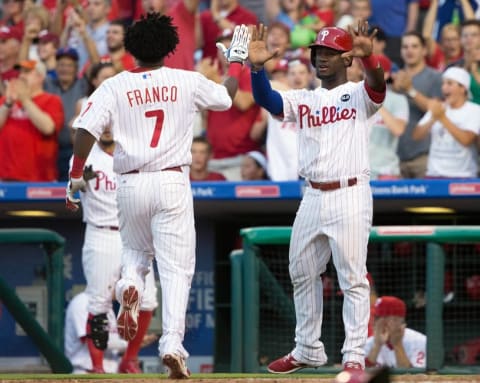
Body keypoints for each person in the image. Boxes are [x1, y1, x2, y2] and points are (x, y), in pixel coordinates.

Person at [66, 13, 247, 378]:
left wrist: (75, 175)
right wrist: (237, 63)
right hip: (171, 181)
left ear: (130, 48)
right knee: (176, 269)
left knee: (134, 253)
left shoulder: (114, 85)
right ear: (170, 47)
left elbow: (84, 130)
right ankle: (172, 344)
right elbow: (227, 97)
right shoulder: (185, 79)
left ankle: (129, 283)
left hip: (130, 182)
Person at [248, 21, 386, 373]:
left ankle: (354, 353)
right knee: (301, 271)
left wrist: (371, 61)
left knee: (352, 278)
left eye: (330, 53)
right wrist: (257, 68)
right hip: (312, 195)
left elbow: (377, 89)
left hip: (350, 191)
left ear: (347, 59)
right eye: (318, 52)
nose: (321, 58)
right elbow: (267, 99)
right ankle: (308, 348)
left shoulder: (357, 94)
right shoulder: (304, 98)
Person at [64, 290, 159, 374]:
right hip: (86, 371)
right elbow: (93, 339)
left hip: (111, 372)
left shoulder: (107, 308)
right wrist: (131, 343)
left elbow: (112, 346)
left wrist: (133, 346)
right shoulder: (83, 301)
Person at [0, 59, 64, 181]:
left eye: (27, 72)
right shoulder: (7, 100)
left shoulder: (52, 100)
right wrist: (7, 104)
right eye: (20, 72)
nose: (22, 76)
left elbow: (48, 128)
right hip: (5, 176)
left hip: (39, 178)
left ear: (40, 77)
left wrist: (25, 100)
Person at [412, 66, 480, 178]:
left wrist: (442, 118)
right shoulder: (438, 108)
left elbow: (466, 140)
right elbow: (416, 136)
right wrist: (433, 118)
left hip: (463, 176)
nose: (444, 88)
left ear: (463, 88)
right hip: (434, 174)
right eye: (443, 84)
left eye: (449, 83)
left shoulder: (474, 110)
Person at [365, 296, 426, 368]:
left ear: (397, 320)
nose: (373, 322)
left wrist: (397, 345)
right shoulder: (367, 344)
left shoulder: (419, 341)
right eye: (373, 317)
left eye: (379, 318)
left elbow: (415, 377)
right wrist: (377, 346)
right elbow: (359, 377)